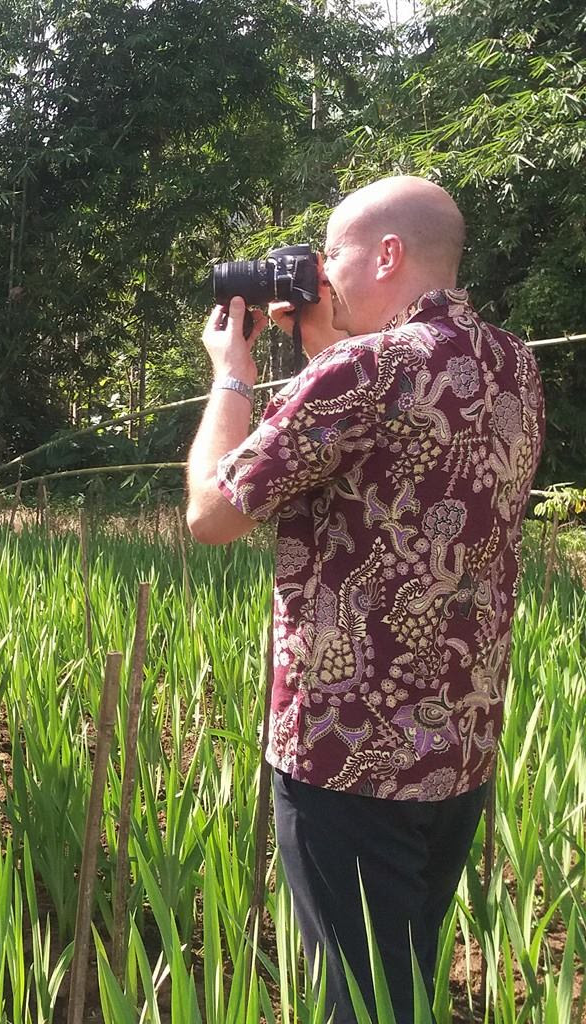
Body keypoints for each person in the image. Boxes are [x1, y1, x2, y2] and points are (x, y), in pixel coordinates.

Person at [185, 176, 545, 1024]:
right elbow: (388, 451)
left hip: (349, 757)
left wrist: (232, 378)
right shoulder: (511, 364)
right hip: (458, 750)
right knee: (401, 986)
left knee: (361, 1002)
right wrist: (322, 348)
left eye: (332, 253)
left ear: (387, 254)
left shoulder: (362, 368)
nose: (321, 272)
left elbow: (210, 515)